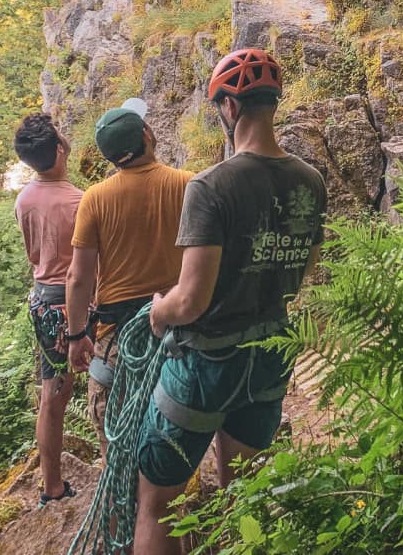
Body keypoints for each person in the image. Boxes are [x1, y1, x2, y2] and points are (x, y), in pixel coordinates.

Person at [133, 49, 328, 555]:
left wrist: (157, 311)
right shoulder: (311, 181)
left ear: (229, 108)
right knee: (247, 496)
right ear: (273, 104)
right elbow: (301, 273)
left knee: (158, 504)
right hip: (268, 360)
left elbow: (190, 300)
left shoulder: (210, 186)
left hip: (205, 365)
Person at [66, 98, 193, 459]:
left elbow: (79, 277)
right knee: (176, 440)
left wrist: (77, 336)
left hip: (119, 339)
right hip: (179, 329)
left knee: (117, 443)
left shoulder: (95, 199)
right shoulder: (189, 185)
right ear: (148, 135)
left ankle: (124, 508)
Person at [13, 113, 84, 507]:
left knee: (52, 392)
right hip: (73, 302)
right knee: (90, 386)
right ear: (59, 149)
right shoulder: (79, 201)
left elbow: (32, 255)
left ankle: (51, 485)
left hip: (41, 298)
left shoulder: (25, 199)